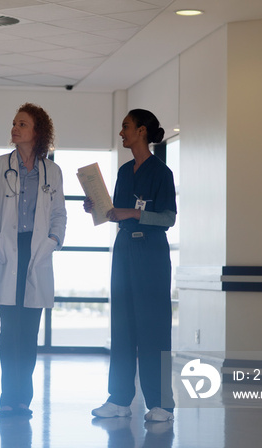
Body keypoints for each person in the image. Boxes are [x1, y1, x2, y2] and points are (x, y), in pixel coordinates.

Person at [0, 103, 67, 419]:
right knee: (9, 331)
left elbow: (59, 214)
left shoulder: (53, 171)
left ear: (37, 132)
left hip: (37, 251)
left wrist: (53, 240)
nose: (15, 128)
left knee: (29, 333)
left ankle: (23, 399)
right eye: (14, 123)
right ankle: (7, 398)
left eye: (22, 124)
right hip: (8, 250)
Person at [85, 109, 176, 423]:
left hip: (150, 250)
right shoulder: (125, 172)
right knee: (122, 325)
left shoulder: (162, 173)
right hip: (124, 248)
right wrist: (97, 207)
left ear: (141, 130)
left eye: (125, 127)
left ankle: (162, 403)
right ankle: (119, 399)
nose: (121, 132)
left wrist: (134, 214)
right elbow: (116, 211)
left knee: (154, 325)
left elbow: (168, 218)